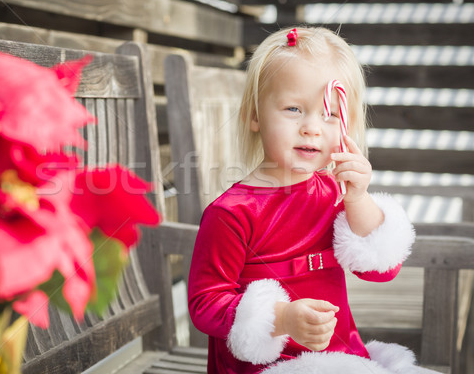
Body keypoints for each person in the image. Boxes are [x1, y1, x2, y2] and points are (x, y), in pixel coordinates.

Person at [187, 27, 436, 373]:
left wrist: (359, 198)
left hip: (343, 355)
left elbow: (380, 271)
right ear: (256, 115)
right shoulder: (232, 213)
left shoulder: (334, 192)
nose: (312, 128)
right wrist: (281, 318)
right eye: (293, 108)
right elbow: (205, 303)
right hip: (269, 366)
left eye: (330, 114)